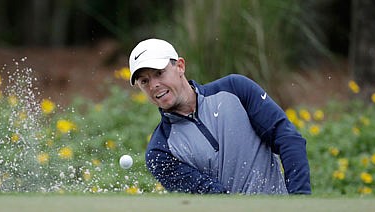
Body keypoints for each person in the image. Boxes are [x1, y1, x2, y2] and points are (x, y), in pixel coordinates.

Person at [128, 38, 311, 194]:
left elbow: (288, 140)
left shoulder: (236, 89)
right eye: (145, 81)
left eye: (159, 73)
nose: (154, 86)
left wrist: (298, 202)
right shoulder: (160, 152)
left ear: (180, 66)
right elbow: (214, 198)